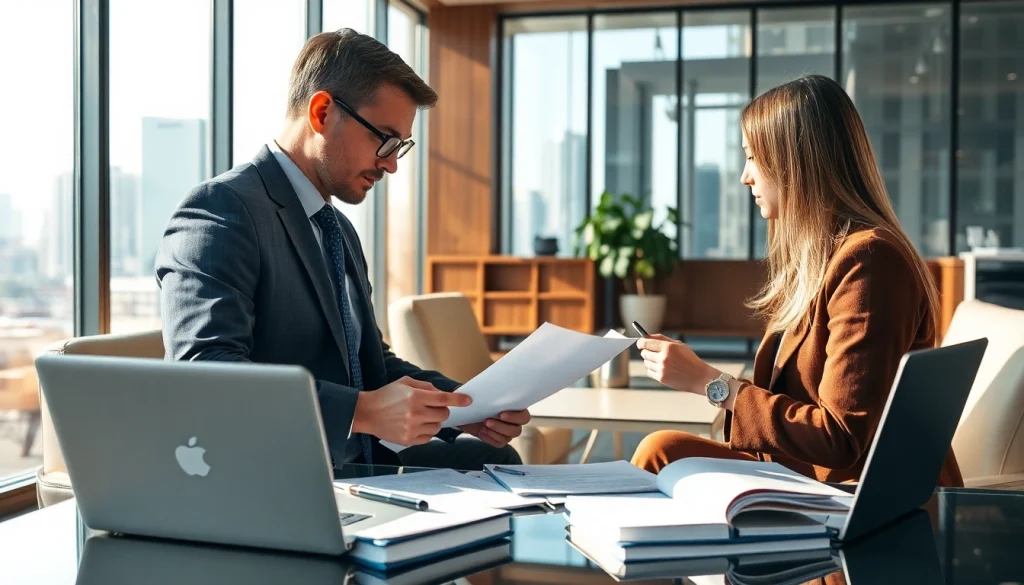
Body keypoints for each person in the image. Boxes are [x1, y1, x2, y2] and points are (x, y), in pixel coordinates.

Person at [156, 29, 528, 472]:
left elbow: (366, 359)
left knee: (497, 457)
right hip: (284, 469)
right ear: (322, 111)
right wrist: (363, 411)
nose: (391, 163)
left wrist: (468, 405)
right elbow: (204, 373)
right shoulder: (222, 210)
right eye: (385, 139)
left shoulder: (338, 230)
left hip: (357, 456)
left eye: (400, 148)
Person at [629, 75, 962, 487]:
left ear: (795, 163)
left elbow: (840, 437)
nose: (744, 177)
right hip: (807, 473)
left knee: (660, 455)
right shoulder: (821, 259)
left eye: (753, 157)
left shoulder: (871, 261)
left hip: (856, 494)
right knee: (661, 450)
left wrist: (711, 383)